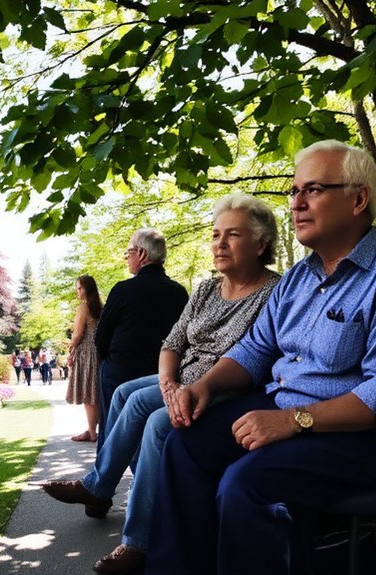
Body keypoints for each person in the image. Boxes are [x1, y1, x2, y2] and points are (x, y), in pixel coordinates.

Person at [147, 140, 376, 575]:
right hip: (290, 412)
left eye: (313, 190)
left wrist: (292, 421)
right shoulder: (299, 279)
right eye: (294, 192)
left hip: (375, 442)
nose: (296, 204)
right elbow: (254, 349)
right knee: (184, 446)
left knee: (247, 484)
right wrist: (203, 386)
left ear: (359, 199)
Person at [42, 194, 281, 573]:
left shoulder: (275, 292)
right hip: (184, 372)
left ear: (260, 244)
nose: (219, 243)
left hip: (228, 384)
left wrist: (180, 389)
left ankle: (133, 536)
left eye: (232, 235)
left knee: (149, 416)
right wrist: (169, 383)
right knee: (124, 393)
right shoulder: (204, 289)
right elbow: (173, 341)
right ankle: (106, 487)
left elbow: (259, 358)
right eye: (216, 234)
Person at [94, 228, 189, 449]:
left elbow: (101, 337)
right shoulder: (179, 292)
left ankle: (101, 479)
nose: (127, 258)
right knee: (149, 434)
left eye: (129, 253)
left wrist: (111, 361)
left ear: (142, 254)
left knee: (111, 428)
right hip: (160, 373)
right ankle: (142, 480)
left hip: (121, 369)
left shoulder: (123, 289)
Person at [66, 275, 104, 442]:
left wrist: (71, 349)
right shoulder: (101, 307)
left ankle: (91, 432)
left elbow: (78, 334)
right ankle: (97, 429)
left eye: (79, 288)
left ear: (87, 289)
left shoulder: (83, 307)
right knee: (96, 393)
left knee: (89, 395)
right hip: (99, 353)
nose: (77, 292)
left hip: (86, 354)